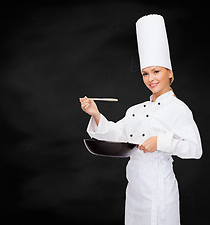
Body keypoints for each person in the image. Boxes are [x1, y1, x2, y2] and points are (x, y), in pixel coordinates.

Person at [79, 14, 202, 225]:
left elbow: (195, 149)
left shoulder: (178, 108)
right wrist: (96, 114)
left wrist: (160, 142)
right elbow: (116, 136)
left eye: (156, 71)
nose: (151, 79)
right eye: (145, 73)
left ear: (170, 73)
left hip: (159, 192)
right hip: (135, 189)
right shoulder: (135, 110)